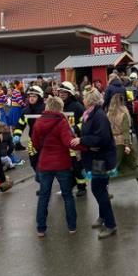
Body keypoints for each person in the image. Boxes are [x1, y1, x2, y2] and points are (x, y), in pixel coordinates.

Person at [30, 96, 82, 237]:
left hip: (45, 163)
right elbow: (68, 142)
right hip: (62, 164)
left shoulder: (38, 122)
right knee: (67, 196)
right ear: (60, 108)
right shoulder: (62, 122)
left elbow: (34, 144)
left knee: (43, 197)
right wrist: (85, 146)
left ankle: (41, 229)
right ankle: (72, 227)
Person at [70, 89, 118, 239]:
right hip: (96, 157)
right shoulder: (90, 114)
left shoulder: (99, 116)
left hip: (101, 159)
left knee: (98, 189)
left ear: (89, 101)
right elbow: (88, 131)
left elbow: (102, 138)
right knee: (100, 188)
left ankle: (111, 224)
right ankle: (103, 217)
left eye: (84, 98)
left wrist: (82, 140)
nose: (82, 99)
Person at [108, 93, 138, 195]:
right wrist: (128, 145)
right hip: (122, 143)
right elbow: (125, 131)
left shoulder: (109, 114)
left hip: (112, 142)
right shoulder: (123, 114)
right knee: (132, 164)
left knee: (114, 166)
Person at [57, 81, 88, 197]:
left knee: (77, 167)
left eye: (64, 93)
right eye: (60, 92)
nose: (62, 94)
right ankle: (70, 184)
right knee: (66, 167)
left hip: (74, 142)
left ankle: (82, 187)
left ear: (70, 94)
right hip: (63, 143)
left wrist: (75, 128)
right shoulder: (59, 106)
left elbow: (84, 122)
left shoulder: (77, 107)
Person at [13, 85, 46, 192]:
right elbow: (20, 124)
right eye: (30, 96)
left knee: (44, 163)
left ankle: (45, 185)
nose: (31, 98)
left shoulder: (45, 109)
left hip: (46, 141)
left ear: (39, 97)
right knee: (33, 162)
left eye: (34, 96)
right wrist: (17, 135)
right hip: (33, 141)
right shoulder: (26, 110)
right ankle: (42, 181)